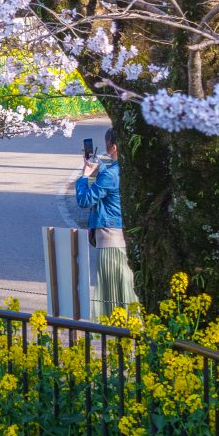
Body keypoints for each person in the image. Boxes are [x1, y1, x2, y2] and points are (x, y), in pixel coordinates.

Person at [74, 131, 138, 315]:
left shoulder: (110, 175)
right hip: (124, 233)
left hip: (110, 237)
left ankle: (118, 332)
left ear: (114, 147)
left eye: (107, 145)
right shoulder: (127, 171)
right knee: (126, 289)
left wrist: (84, 177)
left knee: (114, 295)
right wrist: (99, 169)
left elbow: (85, 200)